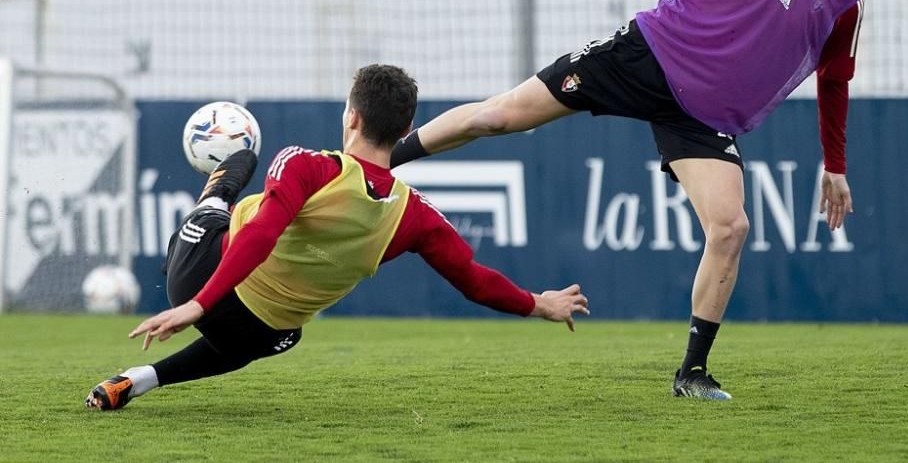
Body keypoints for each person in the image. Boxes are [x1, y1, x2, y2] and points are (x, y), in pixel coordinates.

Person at [390, 0, 890, 400]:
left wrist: (836, 167)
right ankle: (383, 159)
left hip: (701, 116)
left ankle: (692, 374)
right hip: (643, 57)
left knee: (731, 229)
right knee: (499, 117)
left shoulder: (845, 2)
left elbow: (834, 83)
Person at [85, 64, 589, 411]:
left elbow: (261, 233)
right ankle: (143, 380)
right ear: (406, 127)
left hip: (197, 276)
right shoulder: (416, 216)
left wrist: (197, 304)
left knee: (233, 182)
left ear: (351, 115)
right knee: (285, 334)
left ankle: (216, 186)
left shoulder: (308, 165)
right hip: (257, 332)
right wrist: (539, 304)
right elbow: (473, 281)